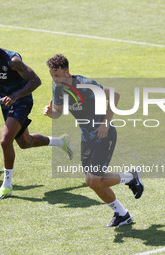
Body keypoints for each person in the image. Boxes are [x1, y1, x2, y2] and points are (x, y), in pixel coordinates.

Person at [44, 54, 144, 227]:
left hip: (104, 136)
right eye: (52, 76)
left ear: (67, 71)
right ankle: (122, 214)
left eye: (58, 75)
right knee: (93, 183)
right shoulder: (58, 88)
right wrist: (51, 113)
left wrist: (105, 123)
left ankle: (130, 177)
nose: (55, 79)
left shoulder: (86, 84)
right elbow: (58, 112)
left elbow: (115, 94)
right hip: (87, 138)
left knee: (94, 180)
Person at [0, 29, 73, 200]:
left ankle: (7, 186)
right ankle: (61, 142)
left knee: (5, 140)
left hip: (22, 101)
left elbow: (36, 81)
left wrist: (15, 96)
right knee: (24, 143)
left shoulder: (13, 61)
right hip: (6, 103)